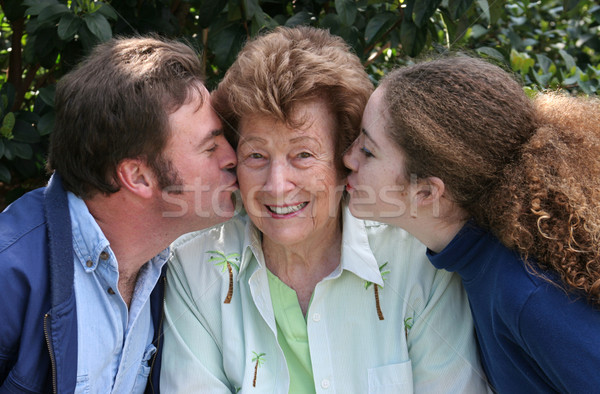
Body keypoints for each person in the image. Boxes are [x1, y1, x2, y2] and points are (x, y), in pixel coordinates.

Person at [160, 26, 489, 393]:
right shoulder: (196, 269)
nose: (276, 184)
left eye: (303, 154)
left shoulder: (418, 264)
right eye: (256, 155)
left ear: (342, 159)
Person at [343, 55, 600, 393]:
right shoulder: (480, 262)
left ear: (427, 191)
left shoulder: (526, 293)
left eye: (368, 150)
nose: (348, 157)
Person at [0, 36, 238, 393]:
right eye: (210, 146)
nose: (233, 156)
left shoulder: (171, 265)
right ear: (138, 177)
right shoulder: (9, 274)